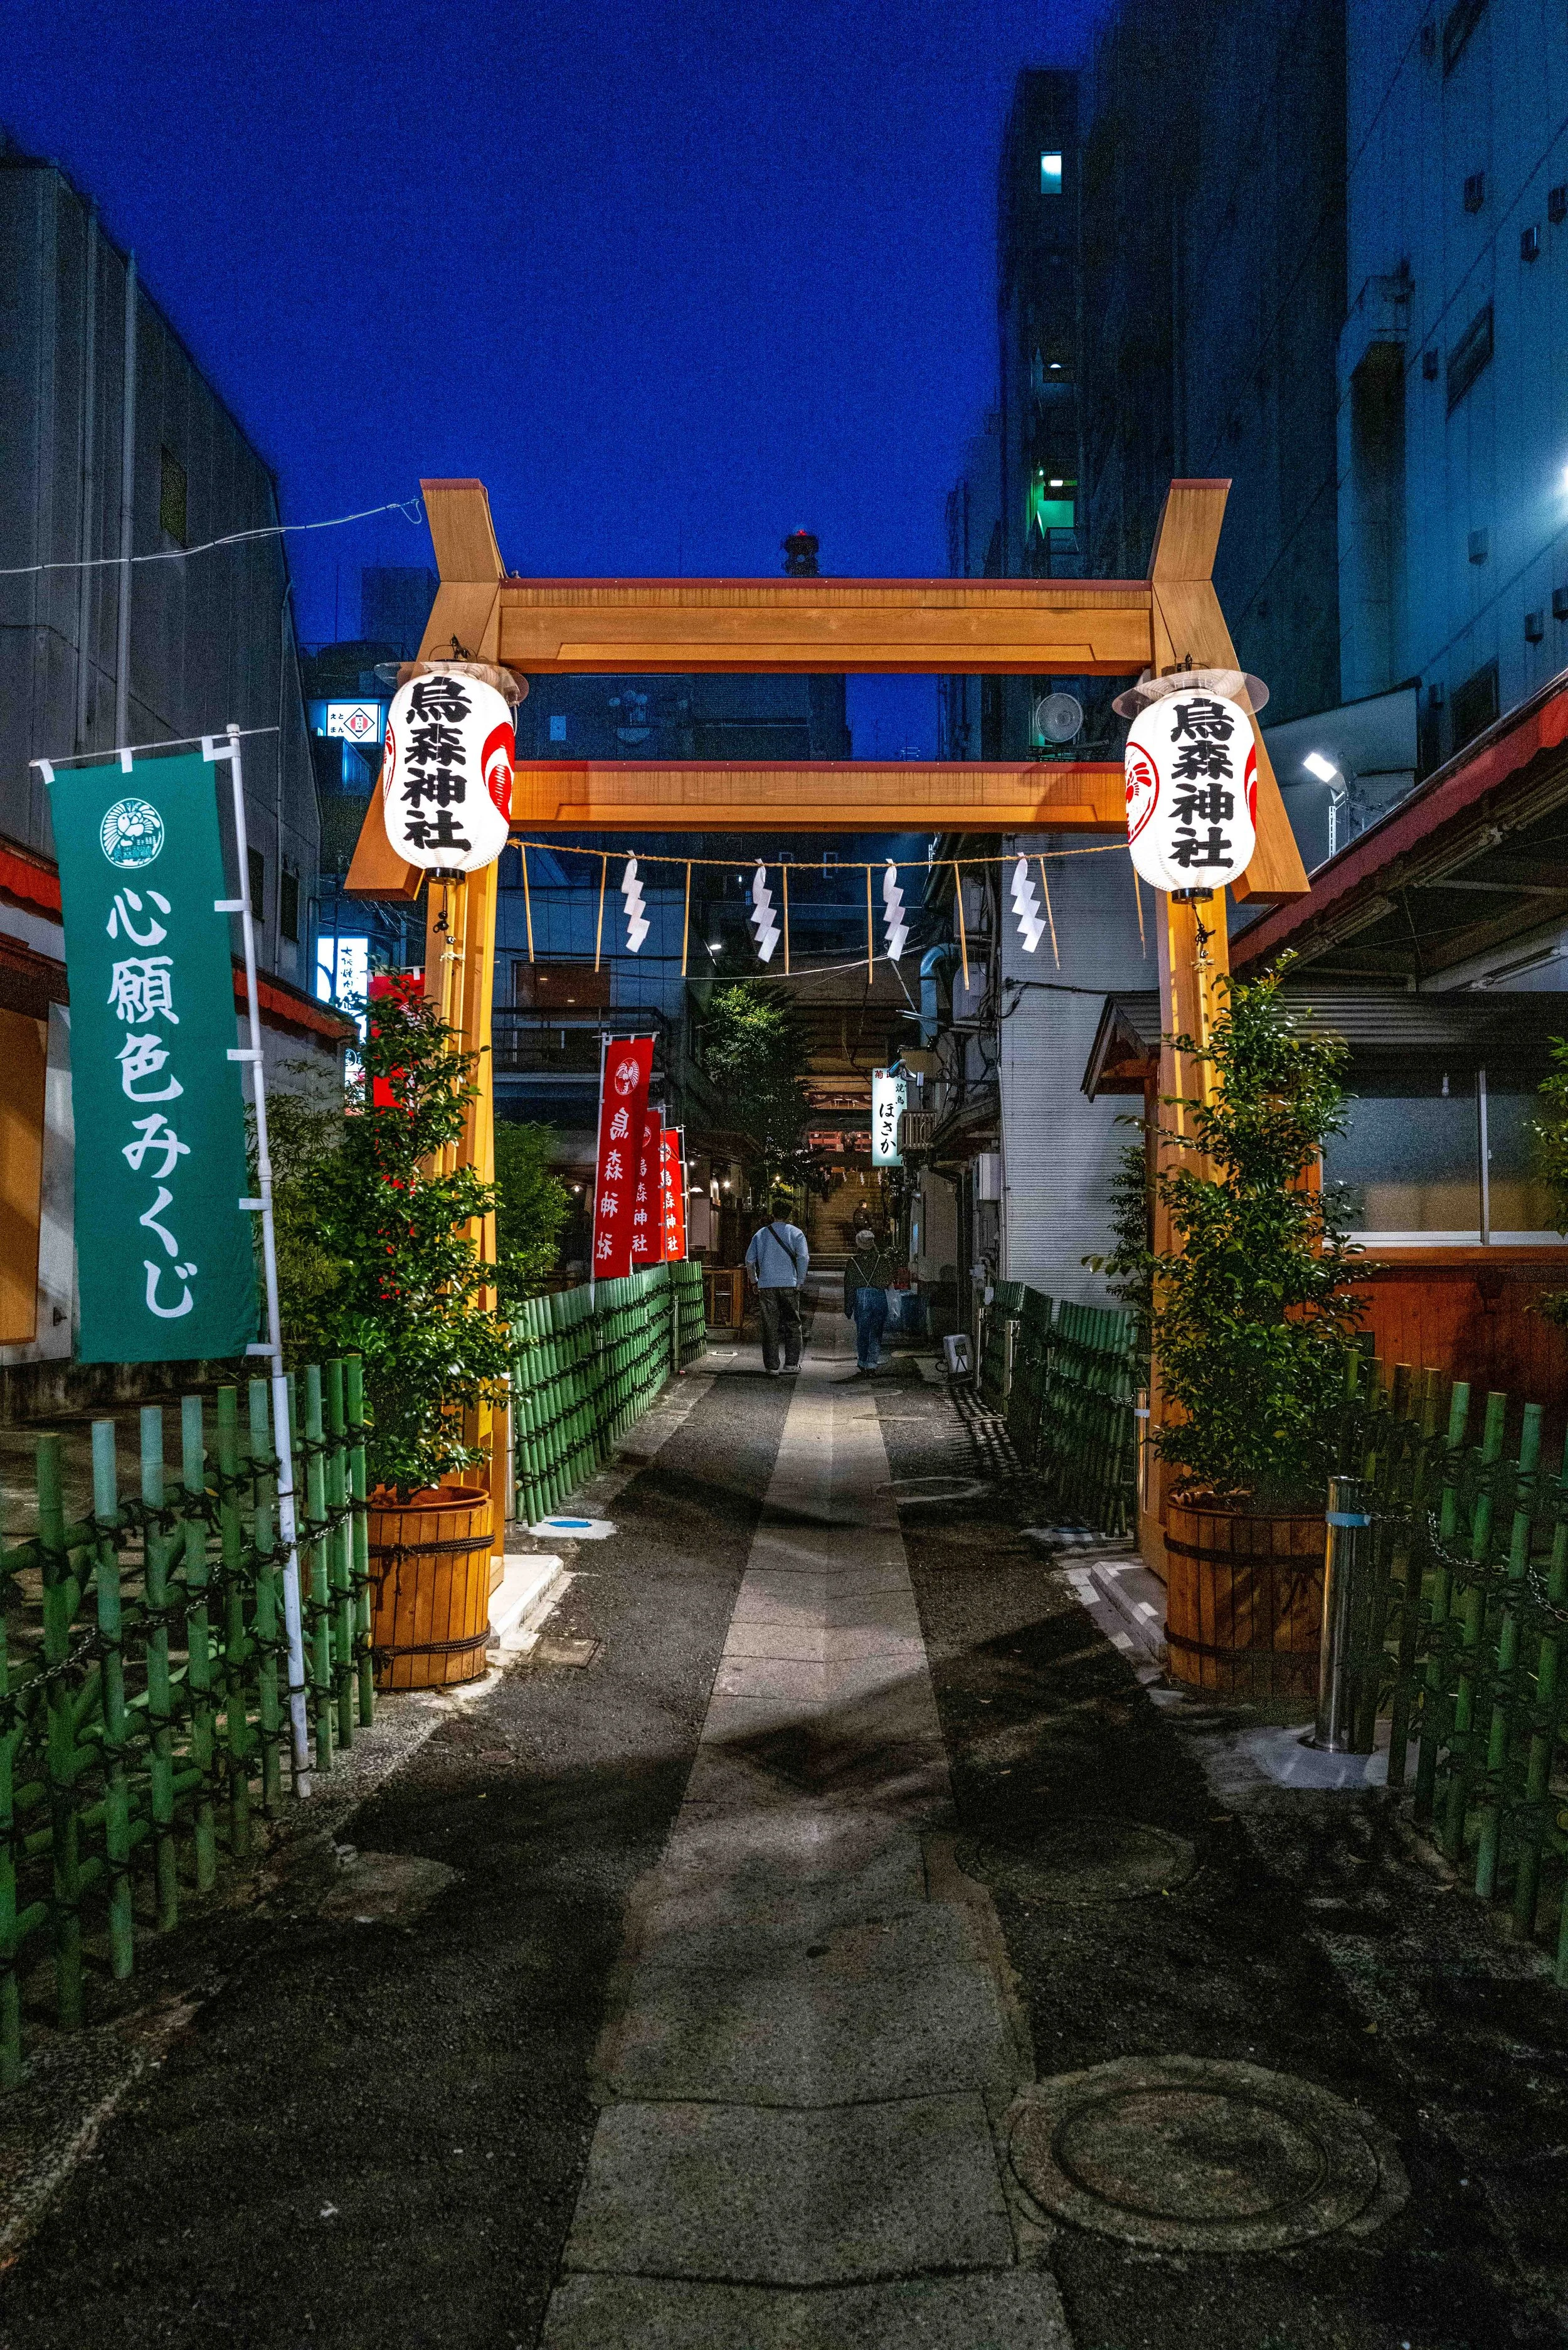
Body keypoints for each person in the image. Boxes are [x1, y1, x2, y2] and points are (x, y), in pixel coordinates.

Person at [744, 1194, 810, 1375]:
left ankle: (772, 1366)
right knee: (792, 1324)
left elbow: (750, 1260)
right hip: (790, 1283)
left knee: (769, 1325)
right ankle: (791, 1364)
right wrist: (800, 1281)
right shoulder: (796, 1233)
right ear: (789, 1214)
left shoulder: (761, 1234)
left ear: (773, 1214)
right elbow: (803, 1257)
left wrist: (754, 1280)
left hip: (766, 1285)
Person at [843, 1225, 898, 1372]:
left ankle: (862, 1361)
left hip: (861, 1297)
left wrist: (848, 1307)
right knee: (876, 1331)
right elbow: (888, 1280)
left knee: (863, 1331)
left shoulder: (853, 1262)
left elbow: (849, 1285)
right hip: (879, 1296)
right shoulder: (883, 1260)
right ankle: (872, 1363)